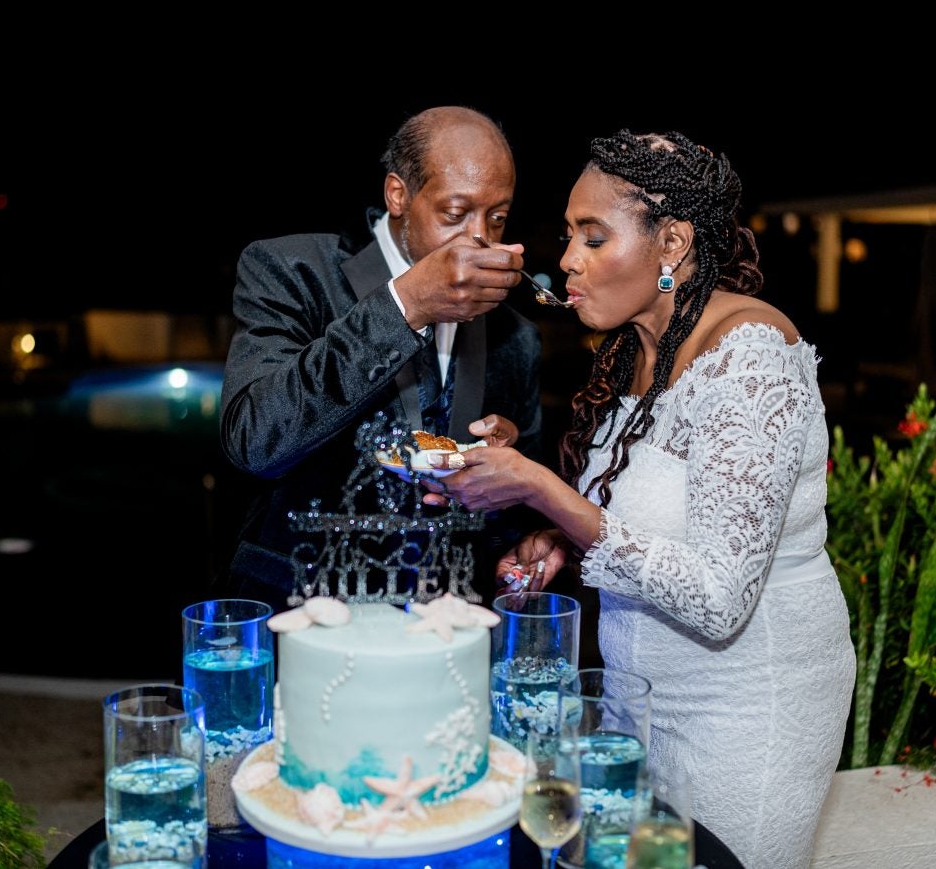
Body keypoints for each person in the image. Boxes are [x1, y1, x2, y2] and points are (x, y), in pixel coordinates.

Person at [427, 130, 855, 868]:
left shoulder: (750, 354)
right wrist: (554, 537)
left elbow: (721, 597)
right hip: (636, 703)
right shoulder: (634, 350)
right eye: (569, 236)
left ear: (673, 245)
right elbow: (641, 515)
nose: (566, 260)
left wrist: (543, 488)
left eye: (593, 238)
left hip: (749, 712)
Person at [218, 105, 543, 612]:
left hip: (446, 629)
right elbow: (255, 440)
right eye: (455, 214)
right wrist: (406, 305)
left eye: (498, 217)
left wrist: (503, 469)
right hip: (302, 617)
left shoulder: (515, 335)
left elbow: (519, 508)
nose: (480, 236)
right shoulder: (292, 270)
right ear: (399, 195)